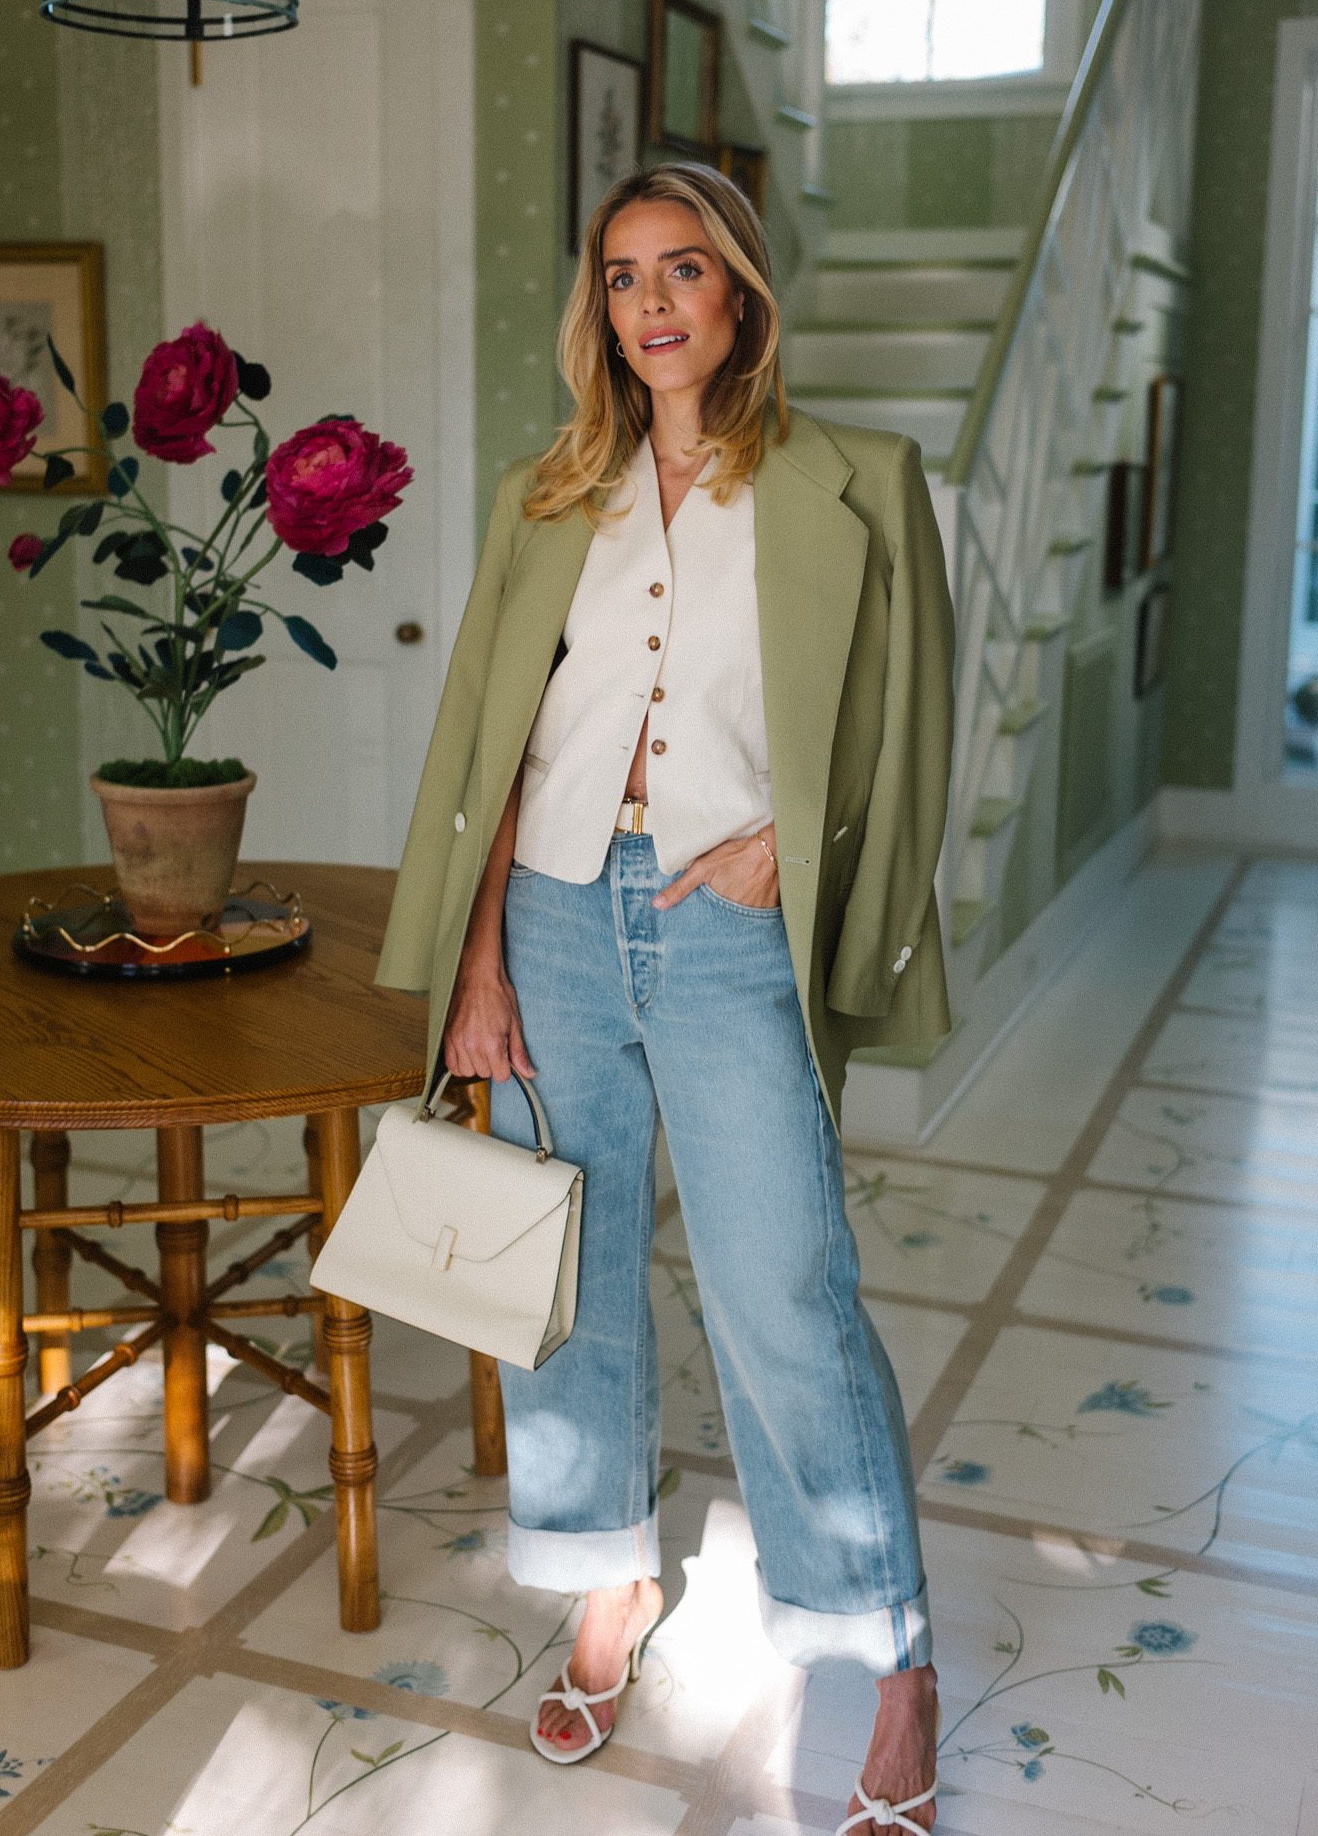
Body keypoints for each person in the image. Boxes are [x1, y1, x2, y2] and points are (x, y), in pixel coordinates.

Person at [376, 160, 955, 1836]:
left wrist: (787, 842)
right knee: (567, 1282)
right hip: (553, 916)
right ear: (601, 307)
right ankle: (605, 1586)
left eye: (683, 269)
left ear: (743, 292)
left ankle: (890, 1654)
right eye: (623, 275)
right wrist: (481, 964)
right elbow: (500, 749)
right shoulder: (550, 491)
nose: (652, 303)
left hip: (726, 929)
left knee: (785, 1287)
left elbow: (905, 728)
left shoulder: (854, 482)